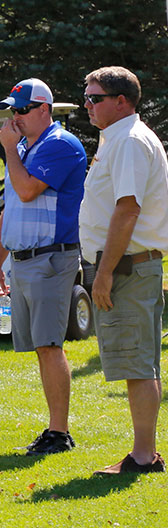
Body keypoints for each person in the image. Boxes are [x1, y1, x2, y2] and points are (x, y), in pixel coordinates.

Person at [0, 78, 87, 456]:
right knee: (40, 346)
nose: (15, 117)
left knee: (49, 345)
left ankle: (59, 433)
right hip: (25, 259)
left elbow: (28, 189)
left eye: (22, 110)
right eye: (12, 110)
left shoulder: (60, 144)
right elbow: (11, 208)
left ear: (44, 109)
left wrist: (9, 150)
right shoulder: (24, 147)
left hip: (51, 257)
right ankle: (54, 430)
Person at [79, 66, 168, 474]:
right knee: (140, 362)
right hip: (130, 266)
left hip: (129, 268)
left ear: (121, 101)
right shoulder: (119, 138)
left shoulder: (129, 141)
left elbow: (128, 209)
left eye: (94, 98)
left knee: (137, 363)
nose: (87, 104)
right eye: (86, 96)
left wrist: (104, 272)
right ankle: (144, 452)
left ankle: (144, 456)